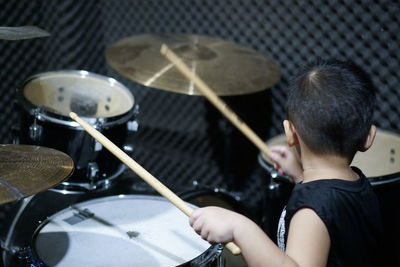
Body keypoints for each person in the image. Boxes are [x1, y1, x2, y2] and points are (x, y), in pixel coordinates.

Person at [189, 59, 383, 266]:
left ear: (290, 133)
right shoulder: (358, 185)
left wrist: (240, 227)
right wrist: (300, 176)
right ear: (368, 137)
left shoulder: (310, 212)